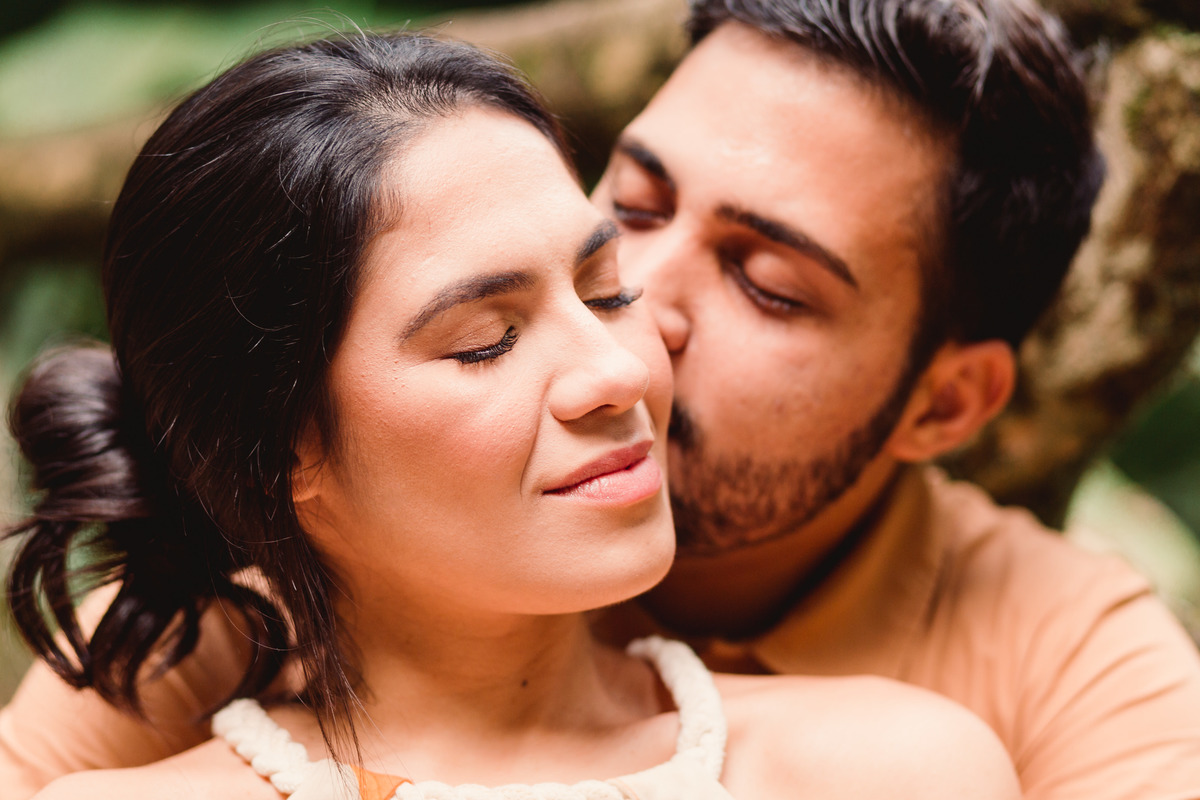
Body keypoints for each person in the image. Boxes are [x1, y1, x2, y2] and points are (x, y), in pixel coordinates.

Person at [2, 0, 1200, 798]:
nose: (638, 337)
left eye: (768, 285)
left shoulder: (1048, 673)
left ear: (946, 404)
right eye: (629, 212)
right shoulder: (231, 609)